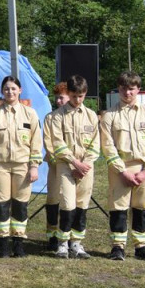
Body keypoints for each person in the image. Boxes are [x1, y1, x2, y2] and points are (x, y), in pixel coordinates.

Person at [100, 70, 145, 261]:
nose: (127, 93)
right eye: (123, 89)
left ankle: (141, 246)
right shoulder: (109, 116)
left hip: (144, 168)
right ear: (118, 89)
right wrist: (121, 170)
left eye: (131, 89)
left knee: (141, 207)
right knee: (118, 207)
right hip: (120, 169)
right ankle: (118, 246)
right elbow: (107, 146)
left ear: (138, 90)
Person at [0, 76, 42, 258]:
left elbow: (36, 143)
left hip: (22, 166)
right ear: (2, 91)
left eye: (13, 88)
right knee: (1, 204)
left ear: (20, 90)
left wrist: (34, 166)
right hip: (0, 166)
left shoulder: (29, 114)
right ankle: (3, 243)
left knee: (20, 205)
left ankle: (18, 243)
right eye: (7, 89)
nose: (10, 92)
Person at [48, 75, 99, 259]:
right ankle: (62, 243)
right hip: (66, 166)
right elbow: (57, 142)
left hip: (86, 167)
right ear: (68, 93)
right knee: (68, 205)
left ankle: (76, 243)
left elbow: (95, 143)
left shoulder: (91, 116)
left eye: (81, 96)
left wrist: (85, 163)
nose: (78, 100)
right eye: (74, 96)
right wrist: (74, 162)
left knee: (81, 205)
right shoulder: (57, 116)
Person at [42, 82, 70, 252]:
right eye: (57, 98)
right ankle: (51, 233)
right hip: (55, 165)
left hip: (73, 166)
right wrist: (57, 160)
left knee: (69, 201)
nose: (59, 101)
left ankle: (68, 235)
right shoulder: (50, 118)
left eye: (62, 97)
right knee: (53, 199)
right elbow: (48, 141)